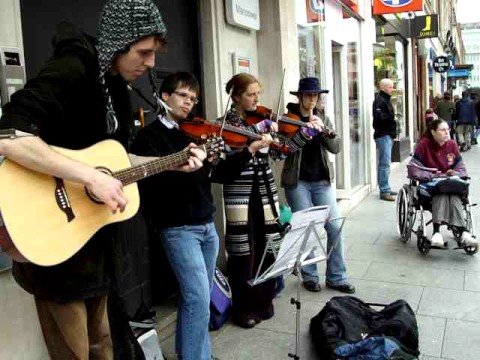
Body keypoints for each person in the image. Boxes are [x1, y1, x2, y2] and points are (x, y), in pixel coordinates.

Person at [0, 1, 202, 358]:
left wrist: (170, 162)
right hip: (55, 237)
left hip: (95, 241)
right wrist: (88, 177)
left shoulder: (117, 87)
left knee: (102, 344)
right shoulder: (73, 68)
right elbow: (8, 134)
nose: (151, 63)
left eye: (153, 53)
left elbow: (116, 162)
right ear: (118, 42)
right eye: (143, 52)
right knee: (74, 351)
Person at [130, 72, 271, 359]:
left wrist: (249, 150)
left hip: (207, 225)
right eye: (183, 95)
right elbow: (147, 184)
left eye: (193, 98)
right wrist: (179, 162)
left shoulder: (195, 132)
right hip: (178, 228)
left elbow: (221, 174)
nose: (188, 103)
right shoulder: (149, 137)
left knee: (197, 298)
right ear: (165, 96)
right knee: (196, 297)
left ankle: (193, 353)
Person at [222, 73, 319, 328]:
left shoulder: (263, 120)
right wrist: (257, 132)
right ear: (235, 97)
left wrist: (305, 134)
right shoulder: (223, 125)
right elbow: (228, 159)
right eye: (250, 94)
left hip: (264, 193)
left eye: (258, 93)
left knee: (268, 248)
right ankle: (243, 310)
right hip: (240, 197)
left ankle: (263, 303)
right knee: (243, 253)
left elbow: (280, 152)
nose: (256, 99)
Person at [280, 77, 354, 294]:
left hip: (321, 181)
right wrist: (304, 134)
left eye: (316, 95)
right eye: (309, 95)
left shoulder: (322, 117)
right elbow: (283, 149)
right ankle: (310, 275)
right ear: (300, 96)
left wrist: (323, 132)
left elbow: (336, 147)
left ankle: (337, 276)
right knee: (306, 228)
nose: (313, 99)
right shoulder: (288, 120)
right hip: (297, 181)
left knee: (335, 225)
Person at [408, 119, 477, 247]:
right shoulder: (424, 145)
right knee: (442, 192)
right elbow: (413, 168)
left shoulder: (452, 145)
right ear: (433, 132)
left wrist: (454, 173)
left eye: (448, 129)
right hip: (431, 184)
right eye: (443, 130)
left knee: (454, 193)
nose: (447, 132)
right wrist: (434, 175)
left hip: (449, 183)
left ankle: (463, 232)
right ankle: (437, 232)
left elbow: (461, 168)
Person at [372, 78, 397, 202]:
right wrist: (391, 118)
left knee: (386, 163)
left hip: (387, 135)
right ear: (383, 88)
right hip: (383, 135)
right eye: (390, 87)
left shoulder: (385, 100)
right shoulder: (380, 101)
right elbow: (378, 118)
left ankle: (386, 187)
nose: (392, 89)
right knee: (385, 163)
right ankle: (384, 190)